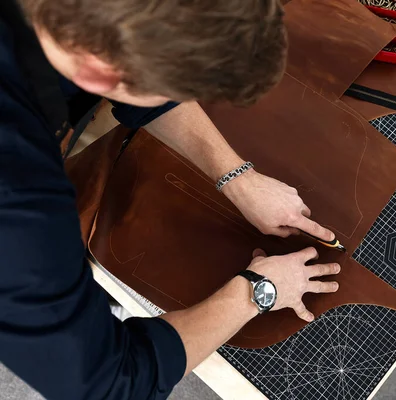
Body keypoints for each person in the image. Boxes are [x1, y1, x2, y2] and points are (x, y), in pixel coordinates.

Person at [0, 0, 342, 398]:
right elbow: (108, 384)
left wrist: (236, 177)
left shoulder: (85, 23)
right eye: (178, 91)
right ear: (96, 72)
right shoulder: (18, 197)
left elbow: (138, 68)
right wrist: (259, 291)